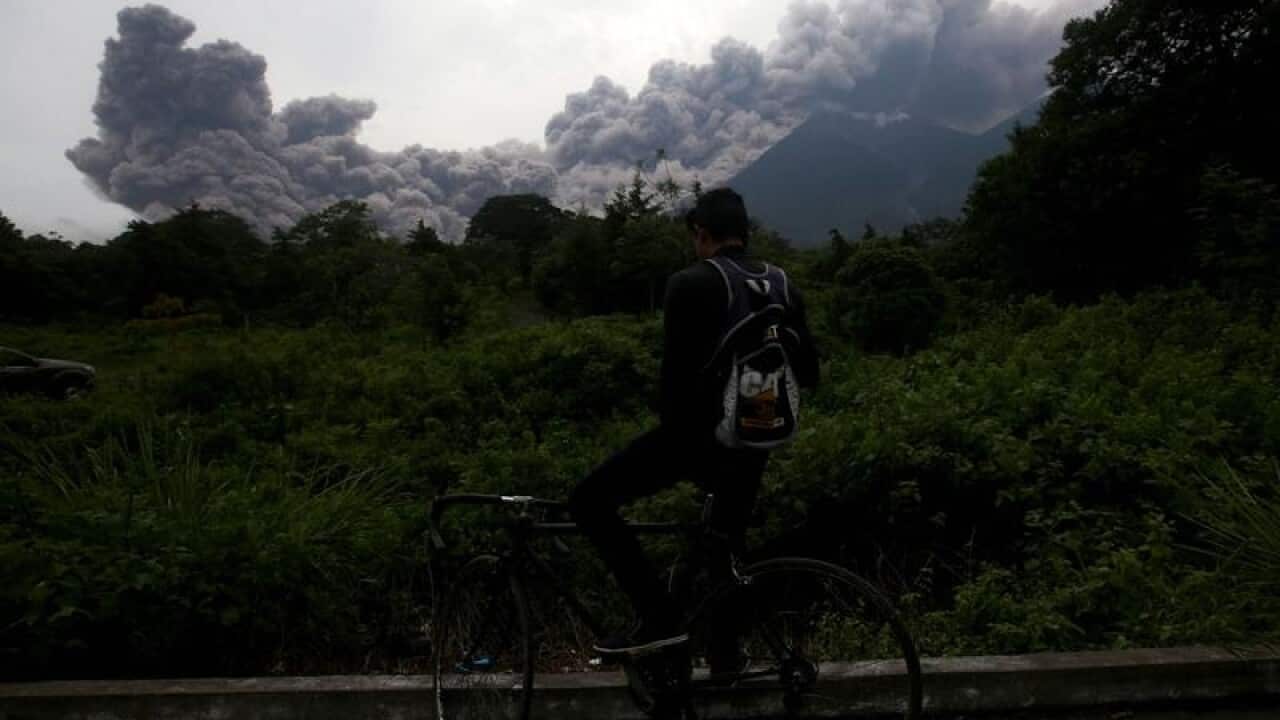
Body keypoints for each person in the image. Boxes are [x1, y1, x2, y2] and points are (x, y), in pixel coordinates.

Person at [568, 187, 820, 661]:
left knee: (589, 501)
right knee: (723, 545)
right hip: (759, 435)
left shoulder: (690, 282)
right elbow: (809, 374)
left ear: (700, 234)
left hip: (697, 439)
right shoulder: (784, 284)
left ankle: (656, 619)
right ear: (746, 234)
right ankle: (725, 657)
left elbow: (673, 388)